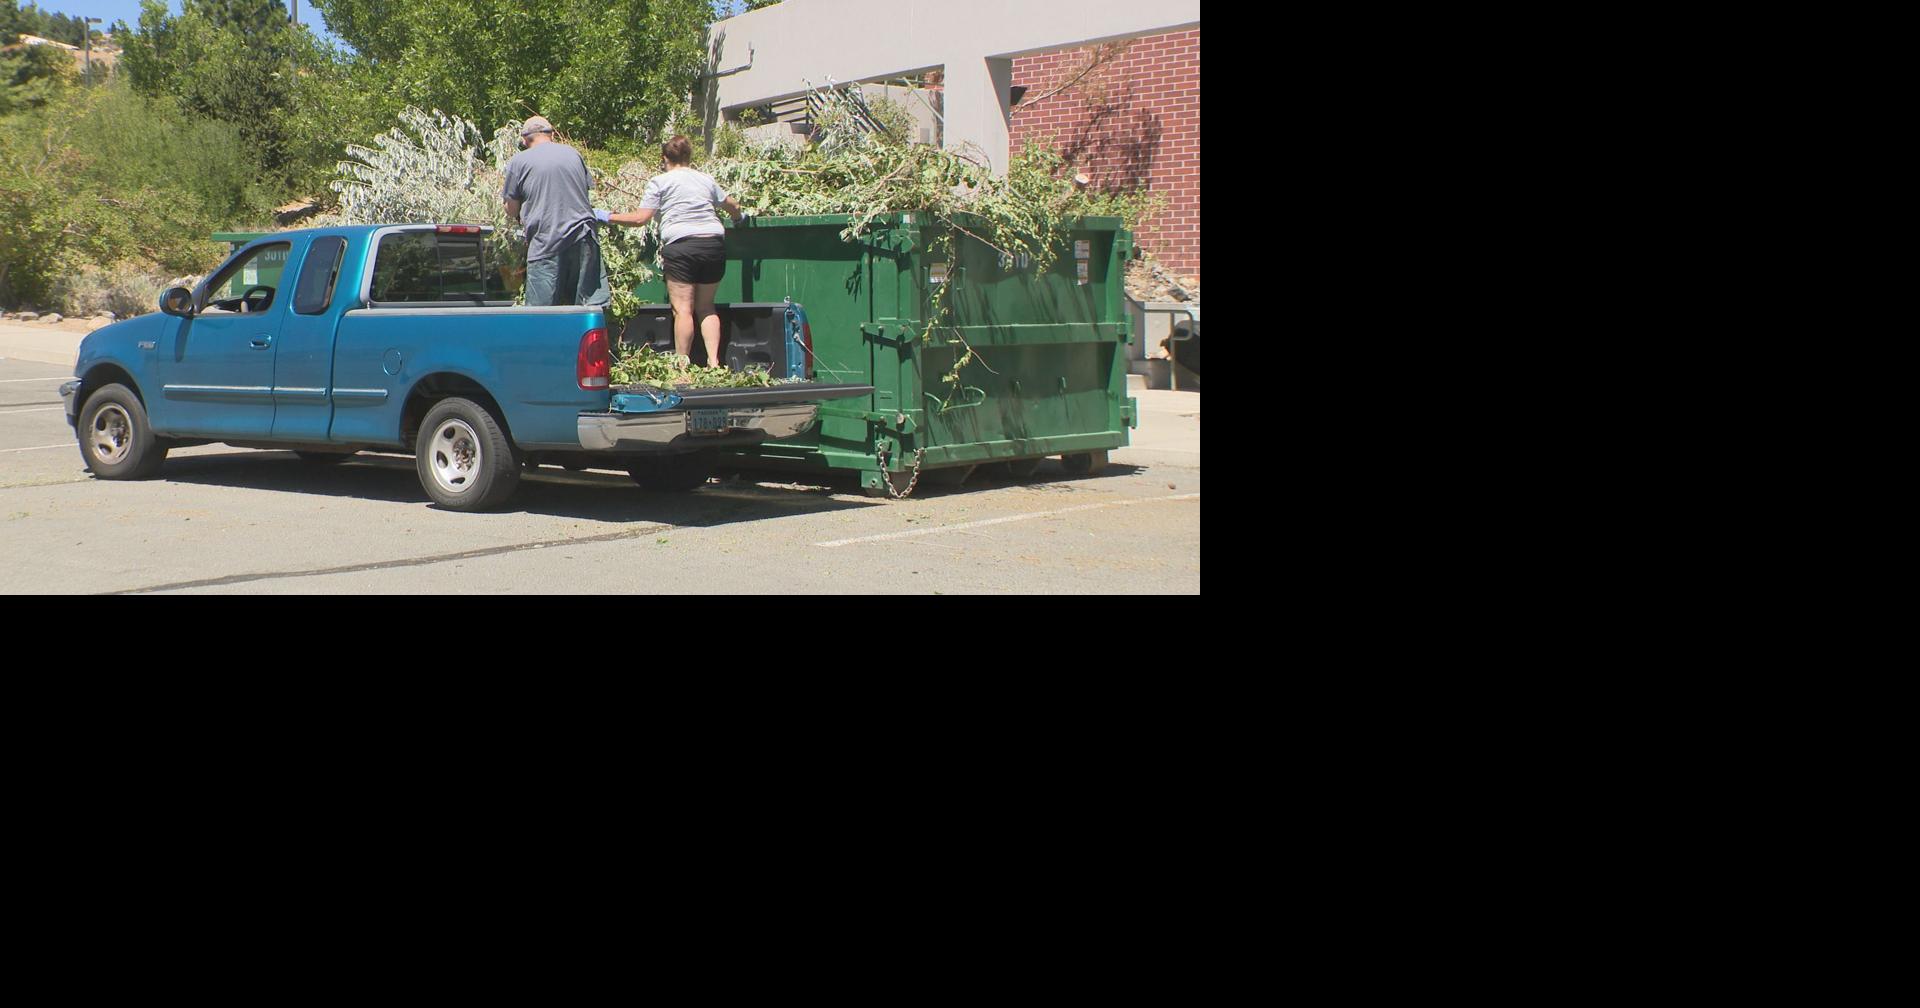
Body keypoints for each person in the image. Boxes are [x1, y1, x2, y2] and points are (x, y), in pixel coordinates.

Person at [596, 135, 746, 365]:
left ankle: (682, 367)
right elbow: (733, 205)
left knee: (683, 310)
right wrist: (738, 219)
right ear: (689, 156)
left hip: (682, 246)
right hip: (713, 244)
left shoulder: (660, 182)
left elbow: (640, 219)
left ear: (664, 158)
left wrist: (607, 216)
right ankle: (714, 363)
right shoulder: (705, 179)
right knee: (706, 307)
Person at [501, 115, 610, 307]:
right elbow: (582, 193)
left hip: (546, 239)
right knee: (585, 307)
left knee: (541, 312)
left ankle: (543, 338)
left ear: (526, 139)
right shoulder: (573, 154)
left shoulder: (519, 161)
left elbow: (512, 209)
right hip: (584, 237)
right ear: (551, 134)